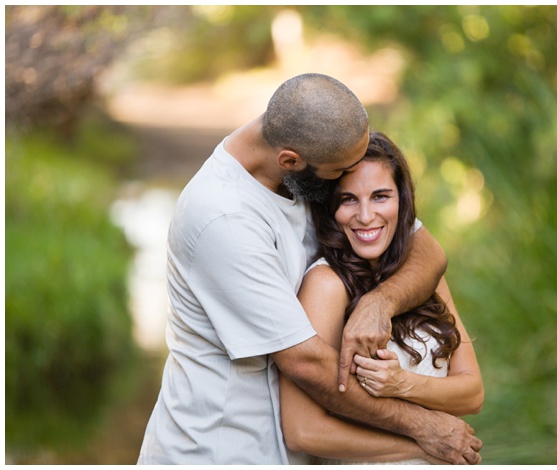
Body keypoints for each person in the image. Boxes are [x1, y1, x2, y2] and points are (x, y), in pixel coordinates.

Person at [137, 73, 482, 465]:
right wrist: (422, 429)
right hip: (220, 450)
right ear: (291, 161)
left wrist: (379, 303)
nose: (350, 183)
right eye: (341, 177)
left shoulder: (308, 164)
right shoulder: (223, 218)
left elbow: (428, 253)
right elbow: (308, 363)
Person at [280, 131, 484, 464]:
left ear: (402, 200)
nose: (365, 216)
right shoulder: (326, 285)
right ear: (330, 208)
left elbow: (472, 394)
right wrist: (424, 440)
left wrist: (402, 384)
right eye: (348, 200)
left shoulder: (421, 273)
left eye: (380, 196)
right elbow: (304, 431)